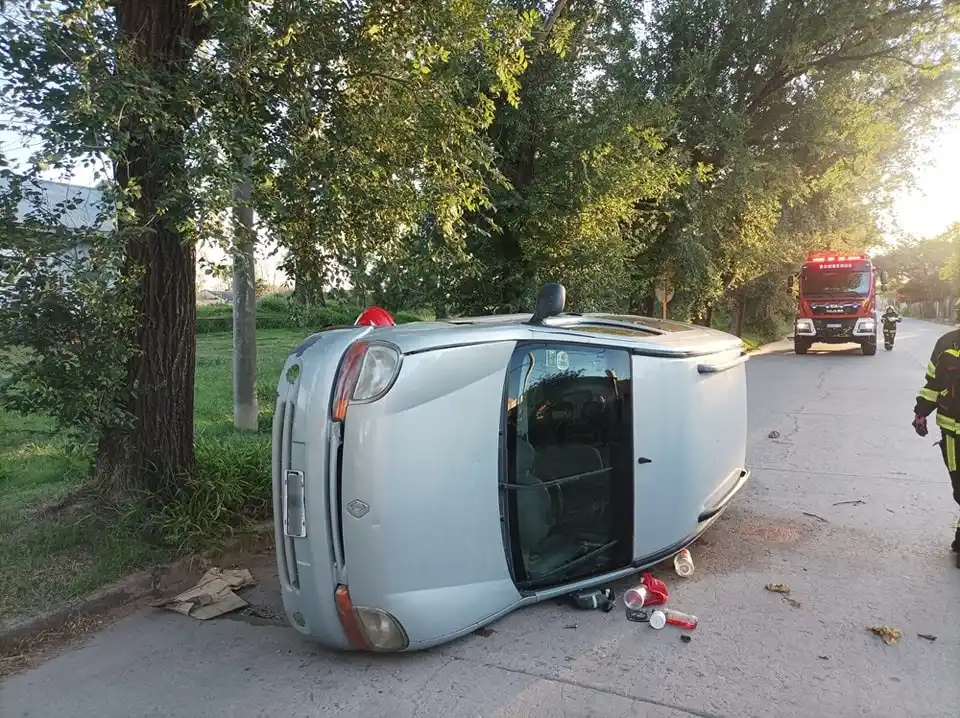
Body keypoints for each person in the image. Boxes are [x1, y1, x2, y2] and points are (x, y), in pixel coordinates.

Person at [913, 300, 960, 567]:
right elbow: (933, 384)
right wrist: (921, 412)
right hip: (953, 430)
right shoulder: (946, 344)